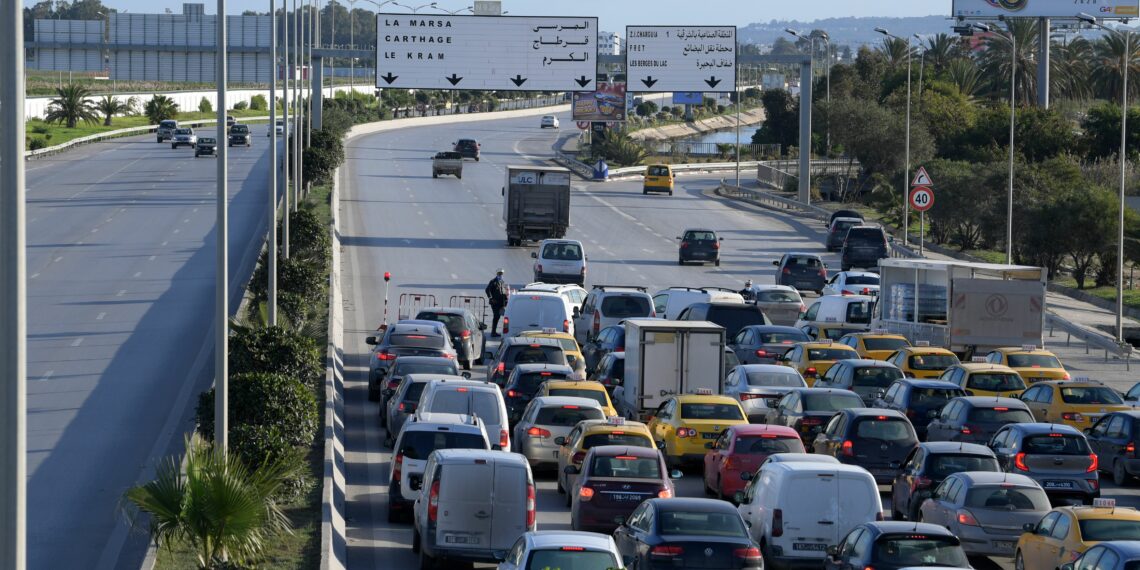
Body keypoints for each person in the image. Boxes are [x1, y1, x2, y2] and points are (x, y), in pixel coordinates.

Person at [485, 268, 510, 337]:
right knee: (496, 316)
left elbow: (502, 292)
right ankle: (493, 332)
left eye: (501, 274)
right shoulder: (493, 281)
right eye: (499, 274)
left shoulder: (502, 282)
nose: (501, 275)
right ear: (497, 274)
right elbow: (487, 290)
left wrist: (506, 297)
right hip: (495, 303)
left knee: (498, 317)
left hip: (501, 303)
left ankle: (494, 331)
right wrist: (491, 298)